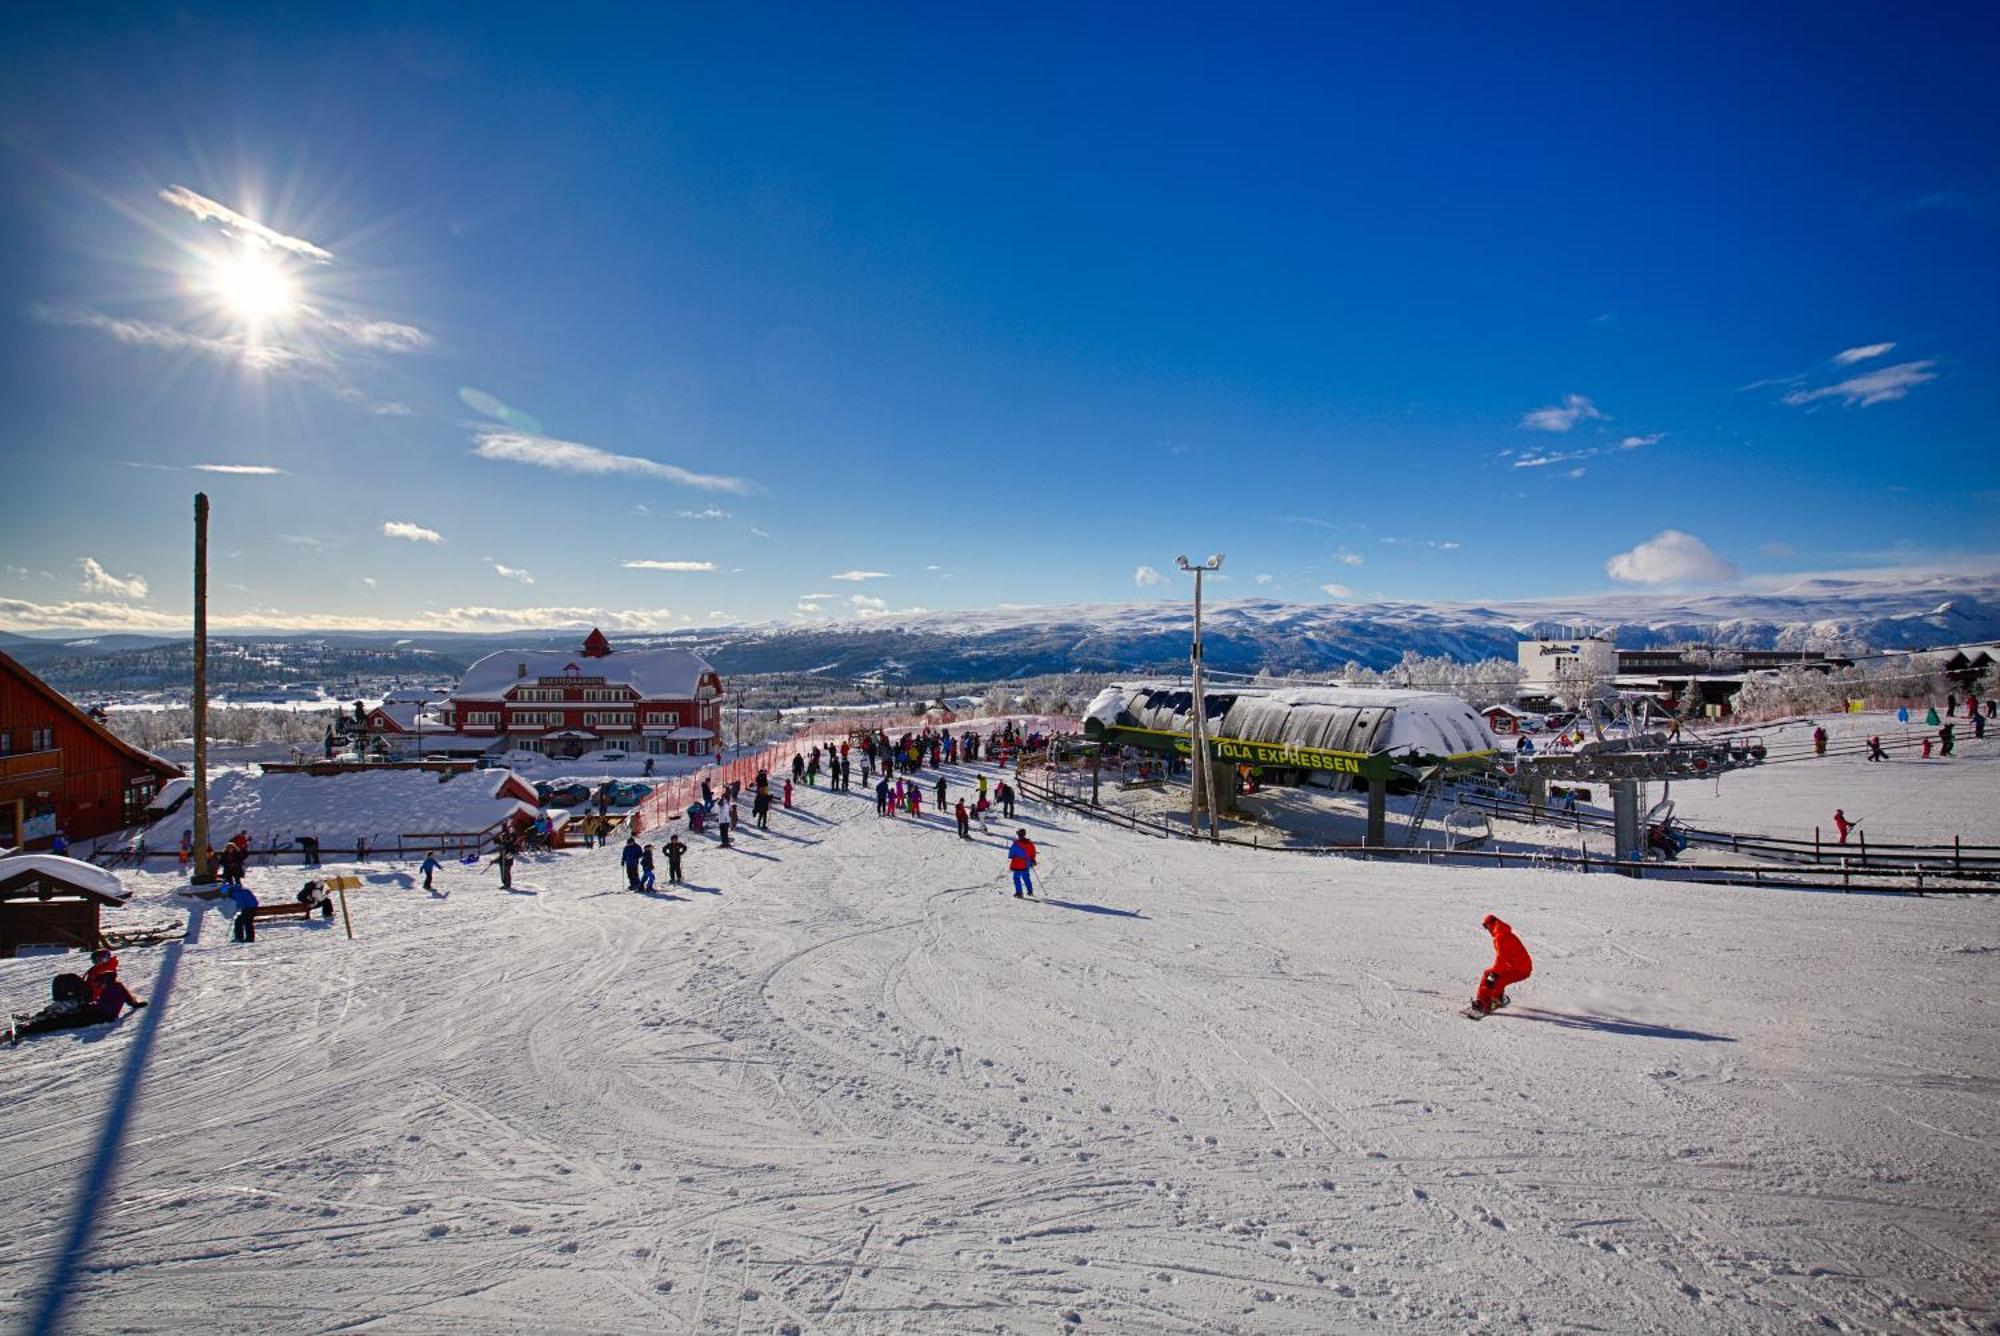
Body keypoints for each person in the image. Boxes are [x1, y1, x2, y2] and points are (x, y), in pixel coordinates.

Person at [1471, 914, 1532, 1014]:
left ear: (1491, 925)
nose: (1487, 930)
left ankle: (1482, 1003)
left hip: (1519, 969)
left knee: (1490, 977)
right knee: (1497, 978)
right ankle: (1497, 997)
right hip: (1519, 966)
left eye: (1486, 927)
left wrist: (1494, 974)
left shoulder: (1501, 937)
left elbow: (1501, 958)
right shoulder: (1503, 933)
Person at [1007, 829, 1037, 898]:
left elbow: (1011, 854)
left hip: (1017, 864)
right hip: (1026, 863)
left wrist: (1013, 856)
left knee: (1016, 878)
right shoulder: (1030, 843)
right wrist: (1032, 860)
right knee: (1026, 877)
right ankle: (1030, 891)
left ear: (1018, 835)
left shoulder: (1016, 844)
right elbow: (1033, 852)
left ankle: (1019, 892)